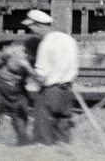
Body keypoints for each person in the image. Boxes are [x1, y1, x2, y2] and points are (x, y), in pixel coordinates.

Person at [25, 9, 79, 145]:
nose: (32, 32)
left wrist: (27, 69)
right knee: (62, 139)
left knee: (43, 140)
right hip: (67, 94)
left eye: (32, 28)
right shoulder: (69, 40)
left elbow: (41, 77)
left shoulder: (45, 45)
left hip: (49, 94)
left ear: (38, 26)